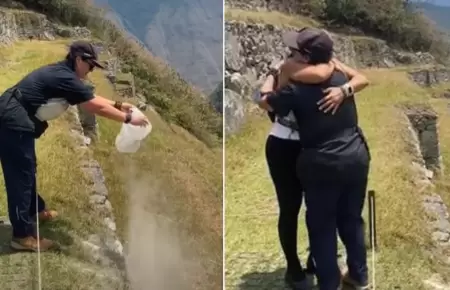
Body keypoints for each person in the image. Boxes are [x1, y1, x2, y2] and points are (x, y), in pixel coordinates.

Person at [0, 40, 149, 252]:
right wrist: (127, 118)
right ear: (79, 59)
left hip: (15, 113)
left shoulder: (67, 75)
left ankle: (35, 210)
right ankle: (22, 236)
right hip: (11, 118)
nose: (90, 71)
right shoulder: (64, 76)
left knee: (28, 166)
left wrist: (118, 104)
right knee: (20, 175)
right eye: (90, 66)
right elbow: (92, 105)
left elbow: (87, 95)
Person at [257, 27, 371, 290]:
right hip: (355, 154)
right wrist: (345, 89)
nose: (289, 53)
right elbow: (359, 77)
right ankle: (358, 276)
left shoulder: (294, 88)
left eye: (294, 51)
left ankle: (328, 283)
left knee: (321, 224)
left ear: (305, 57)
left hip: (321, 160)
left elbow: (265, 103)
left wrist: (275, 74)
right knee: (351, 217)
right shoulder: (341, 75)